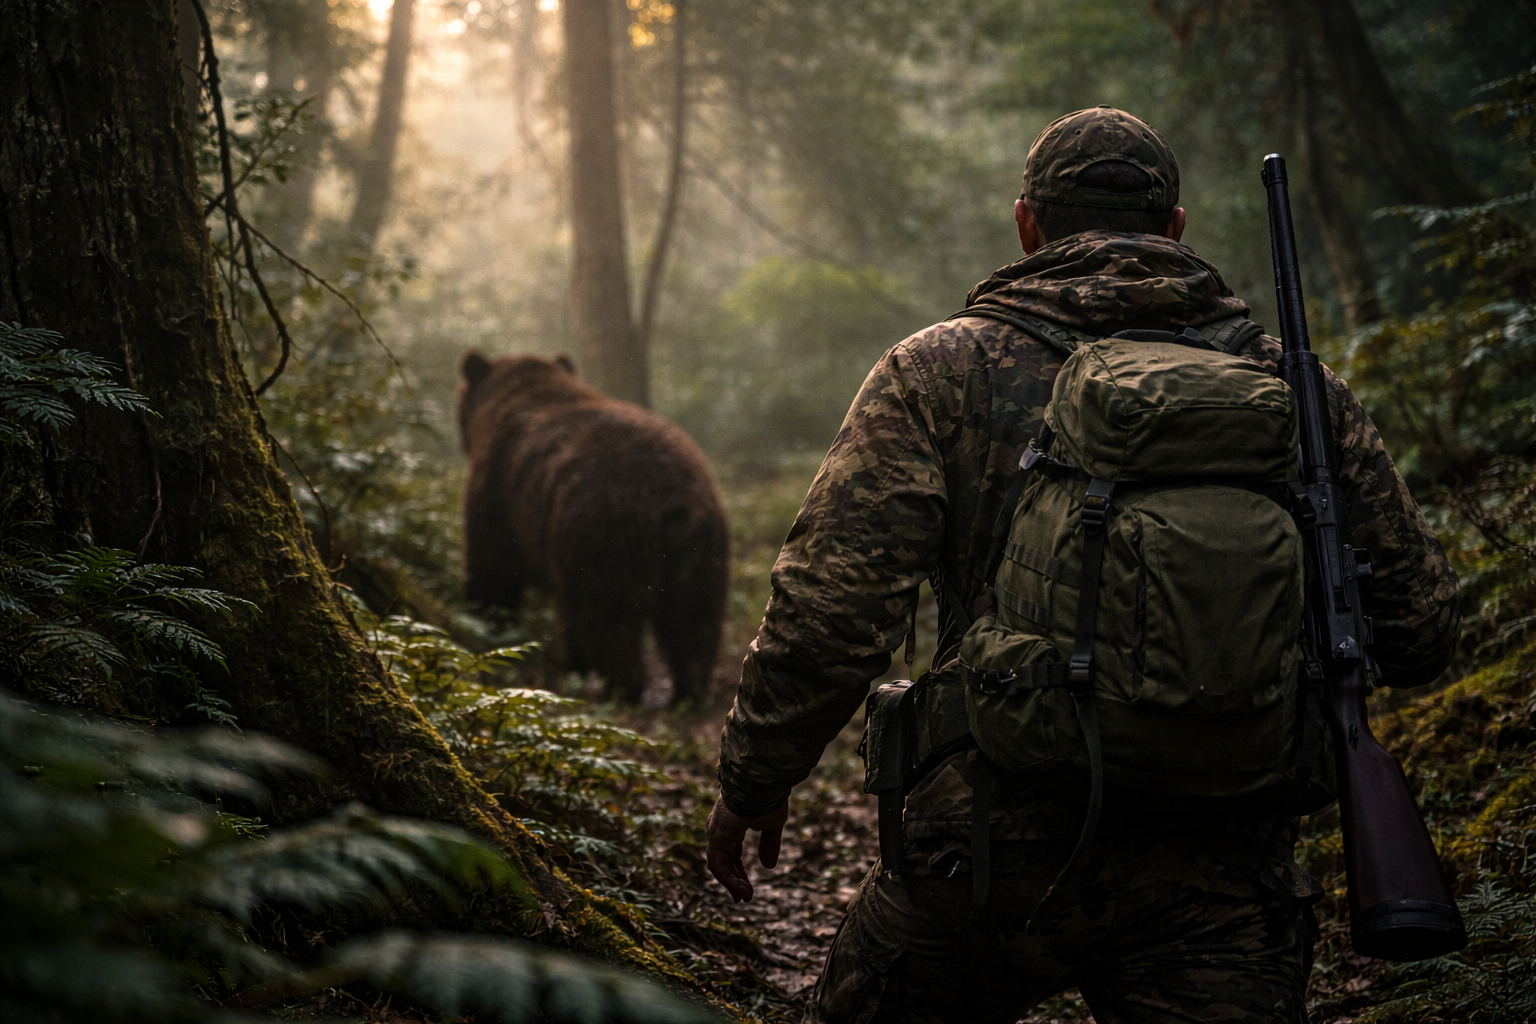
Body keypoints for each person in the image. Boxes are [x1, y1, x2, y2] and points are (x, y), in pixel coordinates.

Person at [704, 107, 1461, 1024]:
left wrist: (755, 780)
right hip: (1220, 868)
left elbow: (830, 612)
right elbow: (1422, 630)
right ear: (1175, 227)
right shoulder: (1292, 386)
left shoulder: (939, 369)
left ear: (1027, 225)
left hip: (988, 849)